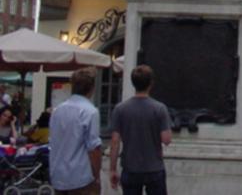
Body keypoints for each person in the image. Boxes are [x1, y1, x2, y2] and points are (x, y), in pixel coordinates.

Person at [110, 65, 172, 195]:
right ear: (151, 83)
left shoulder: (120, 109)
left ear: (133, 83)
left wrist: (112, 169)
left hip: (130, 167)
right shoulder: (160, 108)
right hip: (154, 167)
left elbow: (115, 141)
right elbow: (166, 140)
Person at [49, 67, 102, 195]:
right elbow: (94, 148)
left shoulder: (57, 110)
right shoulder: (90, 111)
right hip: (81, 177)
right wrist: (97, 175)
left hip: (59, 175)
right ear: (92, 88)